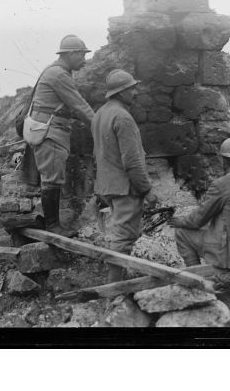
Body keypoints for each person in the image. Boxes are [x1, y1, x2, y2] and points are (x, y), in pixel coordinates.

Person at [169, 136, 230, 291]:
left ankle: (200, 281)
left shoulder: (221, 185)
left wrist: (180, 221)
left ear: (224, 160)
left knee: (182, 232)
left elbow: (198, 220)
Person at [91, 69, 158, 283]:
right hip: (124, 187)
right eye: (131, 89)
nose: (136, 92)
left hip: (108, 186)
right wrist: (147, 190)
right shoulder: (123, 117)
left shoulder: (100, 114)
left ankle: (119, 279)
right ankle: (115, 288)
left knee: (120, 232)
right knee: (123, 237)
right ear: (120, 93)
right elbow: (132, 162)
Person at [29, 35, 95, 237]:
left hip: (50, 129)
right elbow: (80, 106)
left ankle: (51, 224)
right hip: (51, 132)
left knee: (52, 178)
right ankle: (53, 227)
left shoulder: (55, 71)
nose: (84, 60)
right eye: (82, 55)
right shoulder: (59, 75)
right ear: (71, 54)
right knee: (52, 179)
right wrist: (102, 125)